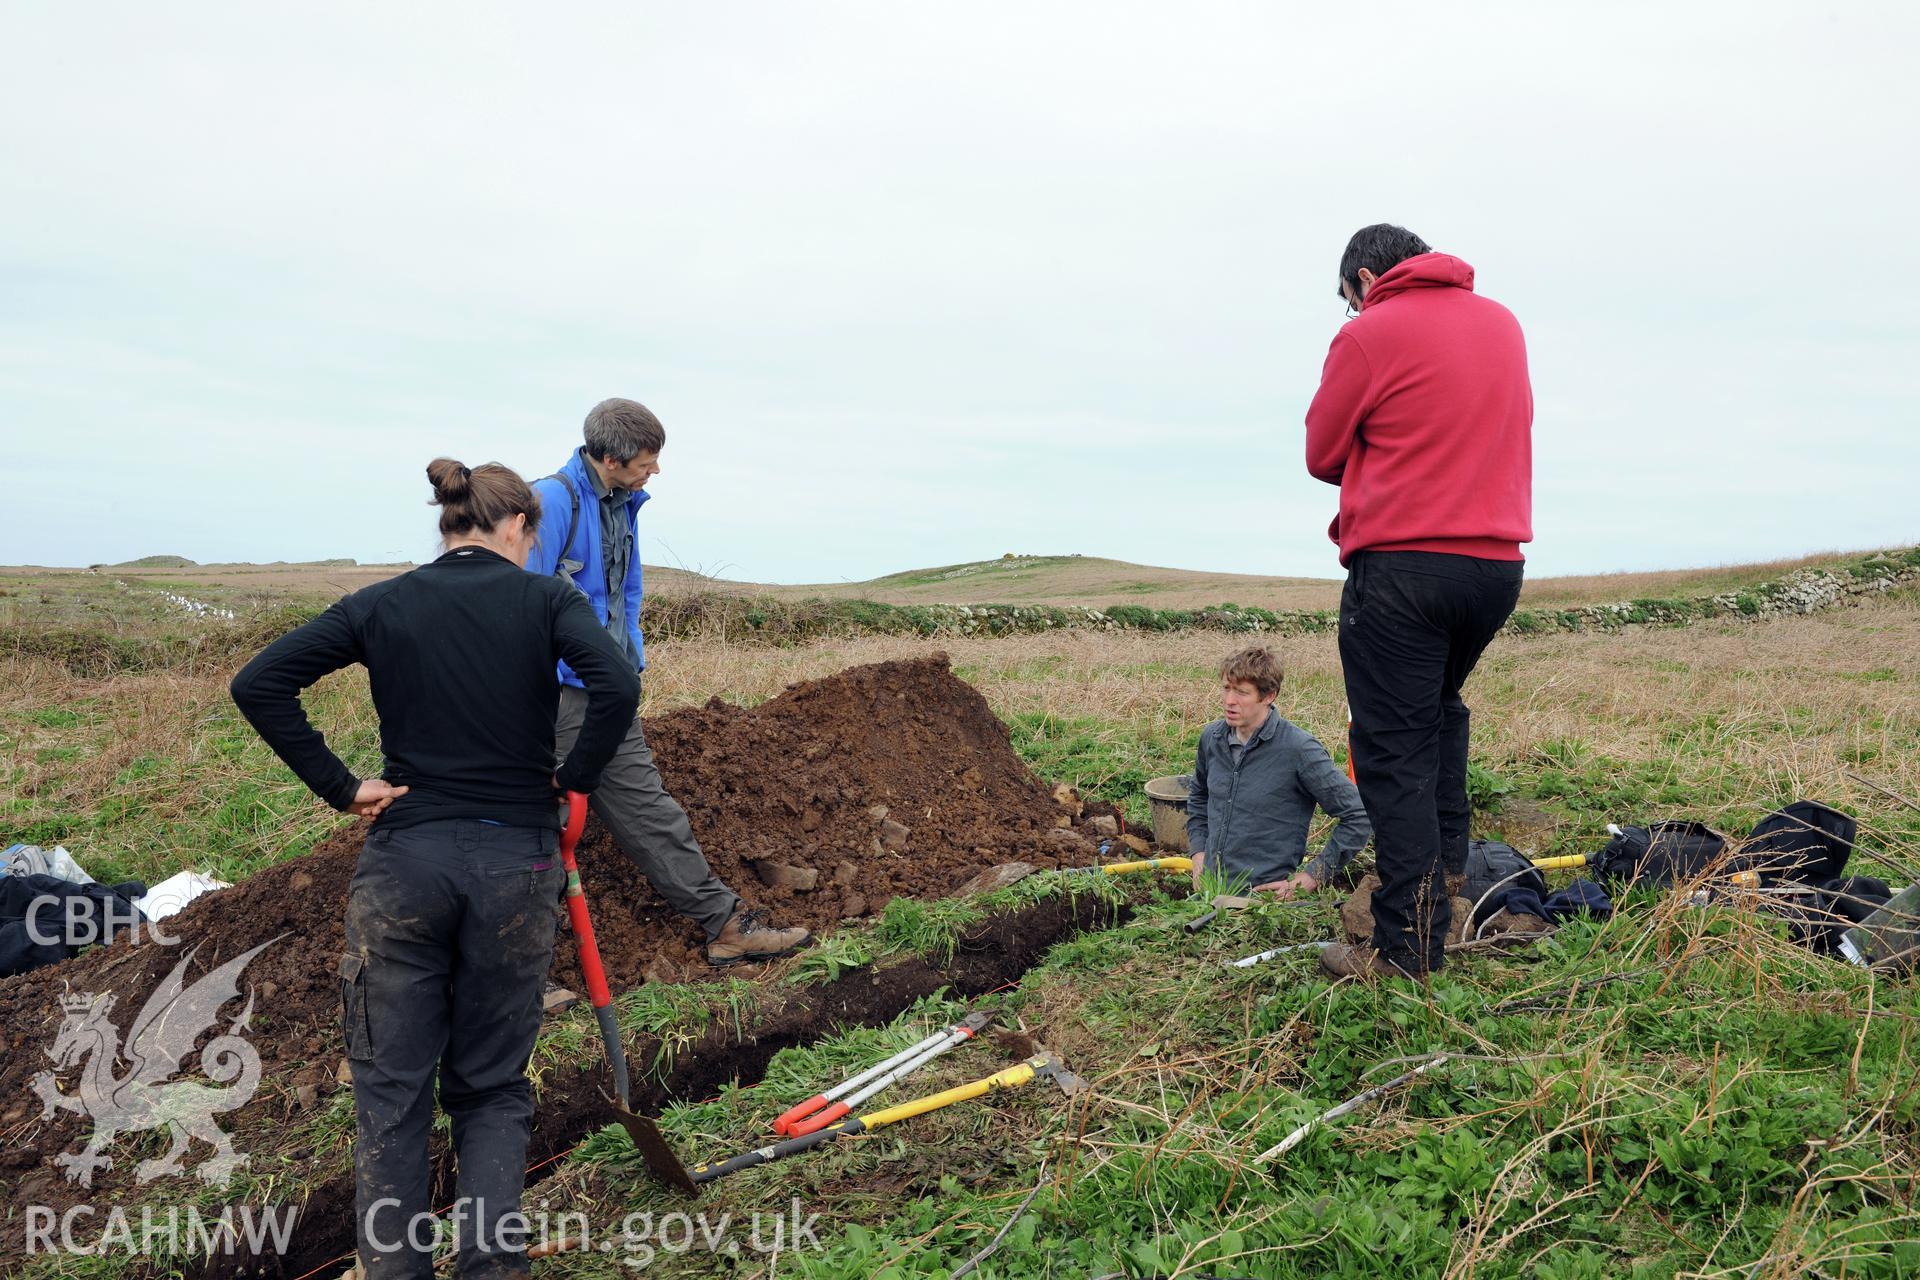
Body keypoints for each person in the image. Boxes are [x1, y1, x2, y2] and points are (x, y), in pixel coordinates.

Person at [231, 459, 639, 1279]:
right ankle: (489, 1268)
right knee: (490, 1087)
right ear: (519, 526)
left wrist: (342, 789)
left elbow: (260, 682)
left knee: (392, 1098)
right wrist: (574, 778)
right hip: (514, 867)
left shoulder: (386, 602)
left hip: (404, 870)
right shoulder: (546, 598)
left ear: (446, 525)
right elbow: (618, 684)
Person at [1303, 223, 1532, 980]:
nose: (1350, 314)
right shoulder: (1501, 323)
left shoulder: (1371, 333)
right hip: (1494, 569)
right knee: (1438, 714)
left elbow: (1322, 453)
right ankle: (1453, 888)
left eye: (1347, 300)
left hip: (1405, 567)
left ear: (1366, 280)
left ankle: (1405, 948)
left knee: (1393, 751)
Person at [524, 398, 810, 965]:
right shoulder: (553, 501)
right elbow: (526, 604)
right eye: (647, 462)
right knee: (539, 828)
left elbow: (626, 592)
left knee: (650, 809)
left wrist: (628, 663)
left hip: (608, 691)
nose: (655, 471)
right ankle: (518, 972)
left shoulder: (623, 503)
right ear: (610, 457)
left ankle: (725, 924)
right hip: (558, 697)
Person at [1185, 646, 1371, 899]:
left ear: (1269, 695)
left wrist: (1311, 877)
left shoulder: (1299, 749)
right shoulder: (1212, 739)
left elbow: (1358, 815)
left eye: (1242, 692)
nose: (1229, 700)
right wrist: (1198, 854)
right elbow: (1199, 797)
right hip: (1208, 895)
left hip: (1265, 904)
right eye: (1226, 688)